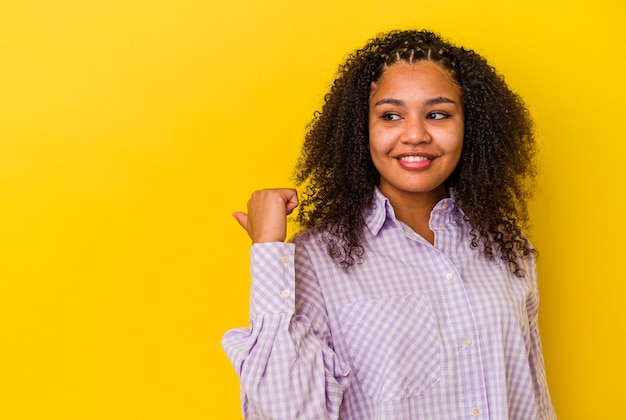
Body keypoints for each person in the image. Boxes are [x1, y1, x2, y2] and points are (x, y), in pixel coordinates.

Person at [222, 29, 556, 419]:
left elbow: (533, 398)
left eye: (437, 114)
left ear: (471, 128)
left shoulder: (508, 248)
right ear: (361, 132)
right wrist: (267, 250)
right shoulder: (315, 260)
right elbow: (282, 411)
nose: (415, 134)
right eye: (391, 115)